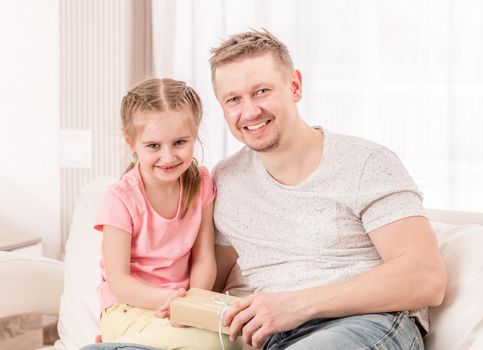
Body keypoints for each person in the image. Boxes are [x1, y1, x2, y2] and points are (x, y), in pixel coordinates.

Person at [210, 29, 448, 349]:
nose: (250, 111)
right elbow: (210, 278)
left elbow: (426, 278)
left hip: (369, 323)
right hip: (276, 338)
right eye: (234, 99)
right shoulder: (227, 180)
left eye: (262, 91)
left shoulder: (365, 162)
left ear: (294, 86)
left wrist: (295, 305)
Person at [84, 78, 241, 350]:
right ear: (130, 142)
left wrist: (191, 302)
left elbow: (204, 258)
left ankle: (121, 346)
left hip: (183, 303)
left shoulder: (201, 183)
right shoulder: (120, 198)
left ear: (195, 135)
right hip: (128, 308)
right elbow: (119, 281)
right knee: (206, 344)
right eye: (153, 146)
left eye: (180, 142)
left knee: (231, 339)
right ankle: (121, 343)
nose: (168, 157)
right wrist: (169, 300)